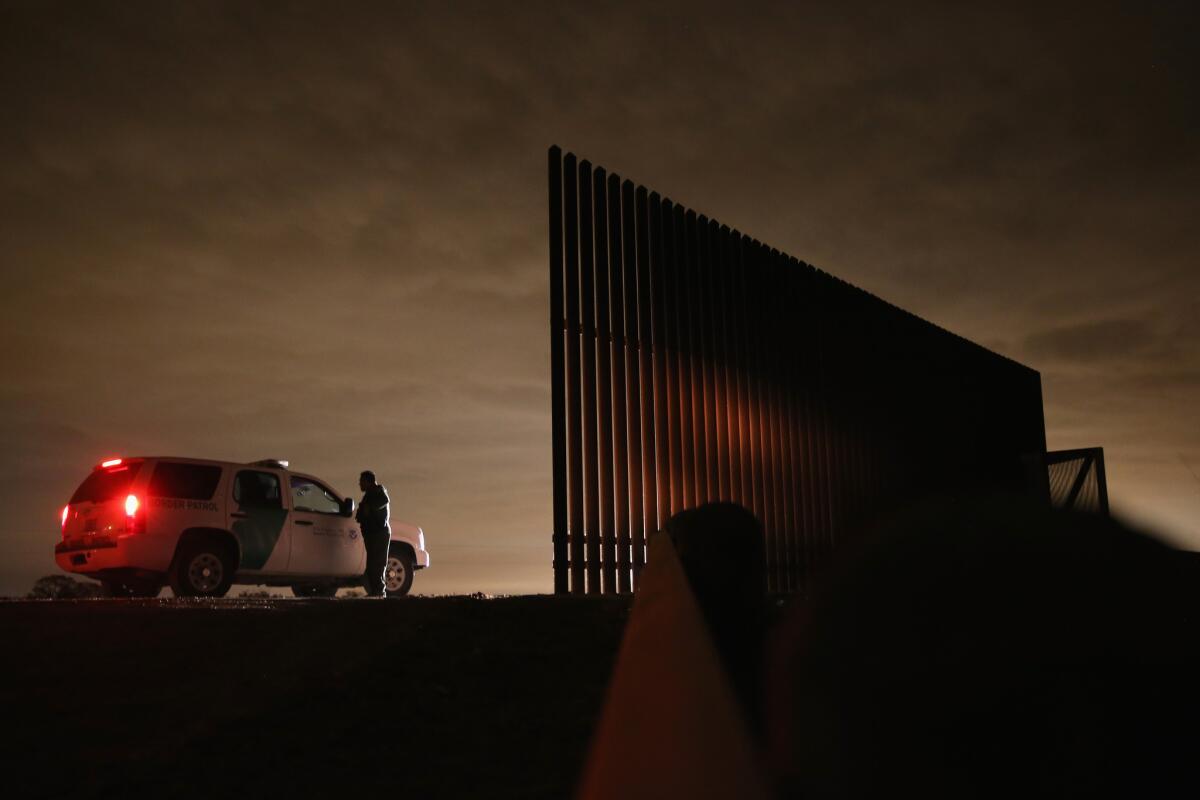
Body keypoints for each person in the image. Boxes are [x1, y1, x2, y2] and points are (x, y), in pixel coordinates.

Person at [355, 470, 391, 597]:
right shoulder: (369, 495)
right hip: (372, 534)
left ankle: (379, 592)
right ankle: (376, 592)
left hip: (378, 533)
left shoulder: (378, 492)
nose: (359, 484)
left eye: (362, 481)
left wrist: (368, 508)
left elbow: (383, 501)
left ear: (368, 481)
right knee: (372, 565)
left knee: (377, 565)